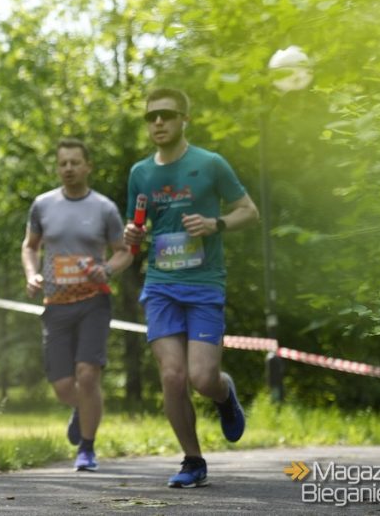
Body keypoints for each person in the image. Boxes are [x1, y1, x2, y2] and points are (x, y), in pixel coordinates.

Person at [123, 87, 259, 488]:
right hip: (162, 284)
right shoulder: (140, 173)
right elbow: (137, 231)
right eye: (152, 117)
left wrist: (216, 223)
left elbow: (249, 211)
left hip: (203, 284)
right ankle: (193, 460)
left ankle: (224, 393)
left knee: (202, 378)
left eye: (166, 115)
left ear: (185, 119)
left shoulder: (210, 164)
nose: (159, 122)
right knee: (173, 376)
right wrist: (133, 232)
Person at [21, 138, 132, 472]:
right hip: (55, 303)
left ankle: (87, 448)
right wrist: (32, 274)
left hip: (93, 301)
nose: (68, 168)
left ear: (88, 166)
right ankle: (82, 409)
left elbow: (124, 250)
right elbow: (30, 246)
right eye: (62, 163)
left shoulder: (104, 208)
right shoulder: (42, 205)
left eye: (74, 162)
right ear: (58, 167)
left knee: (88, 374)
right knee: (63, 385)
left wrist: (108, 269)